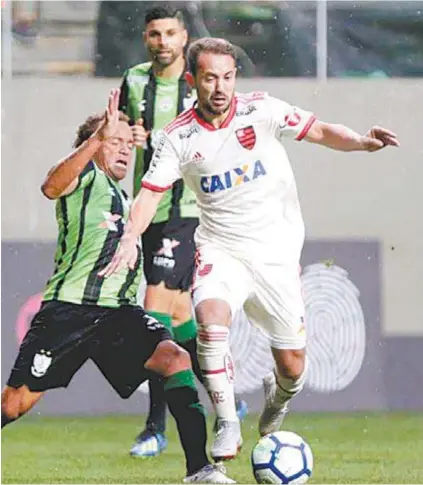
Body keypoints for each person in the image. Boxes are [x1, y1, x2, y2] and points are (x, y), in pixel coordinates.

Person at [100, 38, 399, 462]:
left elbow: (320, 130)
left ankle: (276, 403)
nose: (220, 87)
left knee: (294, 367)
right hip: (221, 250)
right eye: (209, 78)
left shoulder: (261, 110)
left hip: (275, 257)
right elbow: (149, 194)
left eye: (227, 77)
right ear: (192, 81)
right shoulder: (177, 137)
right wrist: (130, 236)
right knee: (210, 322)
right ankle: (226, 420)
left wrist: (361, 141)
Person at [0, 88, 234, 484]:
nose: (125, 150)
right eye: (116, 142)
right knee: (15, 403)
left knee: (174, 358)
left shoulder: (126, 197)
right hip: (70, 310)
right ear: (94, 146)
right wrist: (94, 141)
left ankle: (200, 470)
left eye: (129, 143)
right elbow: (50, 187)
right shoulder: (83, 178)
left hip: (119, 314)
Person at [118, 5, 247, 457]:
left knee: (154, 311)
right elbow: (121, 129)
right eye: (154, 34)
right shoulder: (135, 81)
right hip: (148, 207)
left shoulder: (201, 83)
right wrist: (126, 135)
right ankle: (224, 390)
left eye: (170, 33)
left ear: (184, 36)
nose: (162, 42)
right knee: (172, 319)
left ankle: (155, 427)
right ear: (145, 38)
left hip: (189, 209)